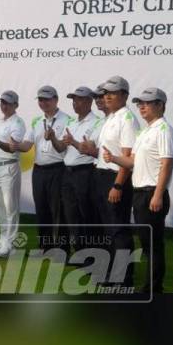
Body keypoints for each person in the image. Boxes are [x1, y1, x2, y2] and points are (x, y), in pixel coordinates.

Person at [103, 87, 173, 293]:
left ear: (160, 105)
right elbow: (132, 161)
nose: (141, 107)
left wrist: (158, 194)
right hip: (139, 193)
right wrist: (114, 158)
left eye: (147, 103)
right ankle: (151, 286)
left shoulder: (164, 130)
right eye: (139, 103)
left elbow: (167, 164)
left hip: (152, 193)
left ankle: (153, 288)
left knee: (153, 245)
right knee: (146, 244)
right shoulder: (144, 131)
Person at [91, 75, 140, 286]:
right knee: (107, 229)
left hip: (115, 179)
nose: (107, 97)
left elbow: (128, 156)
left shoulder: (127, 118)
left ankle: (123, 278)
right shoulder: (111, 117)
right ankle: (111, 274)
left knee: (119, 230)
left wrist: (118, 184)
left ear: (124, 95)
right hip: (101, 175)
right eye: (106, 93)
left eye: (112, 93)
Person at [17, 85, 72, 252]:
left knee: (59, 211)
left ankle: (62, 248)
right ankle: (45, 246)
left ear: (56, 100)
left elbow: (63, 147)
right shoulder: (36, 121)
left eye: (47, 99)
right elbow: (26, 145)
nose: (43, 103)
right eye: (40, 100)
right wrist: (11, 145)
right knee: (42, 209)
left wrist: (53, 138)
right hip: (39, 171)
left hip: (58, 169)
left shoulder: (68, 120)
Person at [59, 86, 102, 253]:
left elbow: (88, 148)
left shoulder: (98, 122)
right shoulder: (71, 122)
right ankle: (78, 253)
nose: (75, 103)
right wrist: (55, 140)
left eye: (79, 99)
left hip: (85, 173)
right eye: (73, 100)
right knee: (71, 216)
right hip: (67, 172)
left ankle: (90, 254)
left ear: (89, 101)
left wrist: (74, 142)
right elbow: (61, 147)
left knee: (86, 215)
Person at [0, 90, 26, 257]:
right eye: (2, 102)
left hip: (9, 167)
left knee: (11, 208)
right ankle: (3, 240)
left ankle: (10, 244)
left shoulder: (18, 123)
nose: (4, 106)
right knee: (0, 207)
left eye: (8, 103)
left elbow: (12, 148)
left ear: (15, 105)